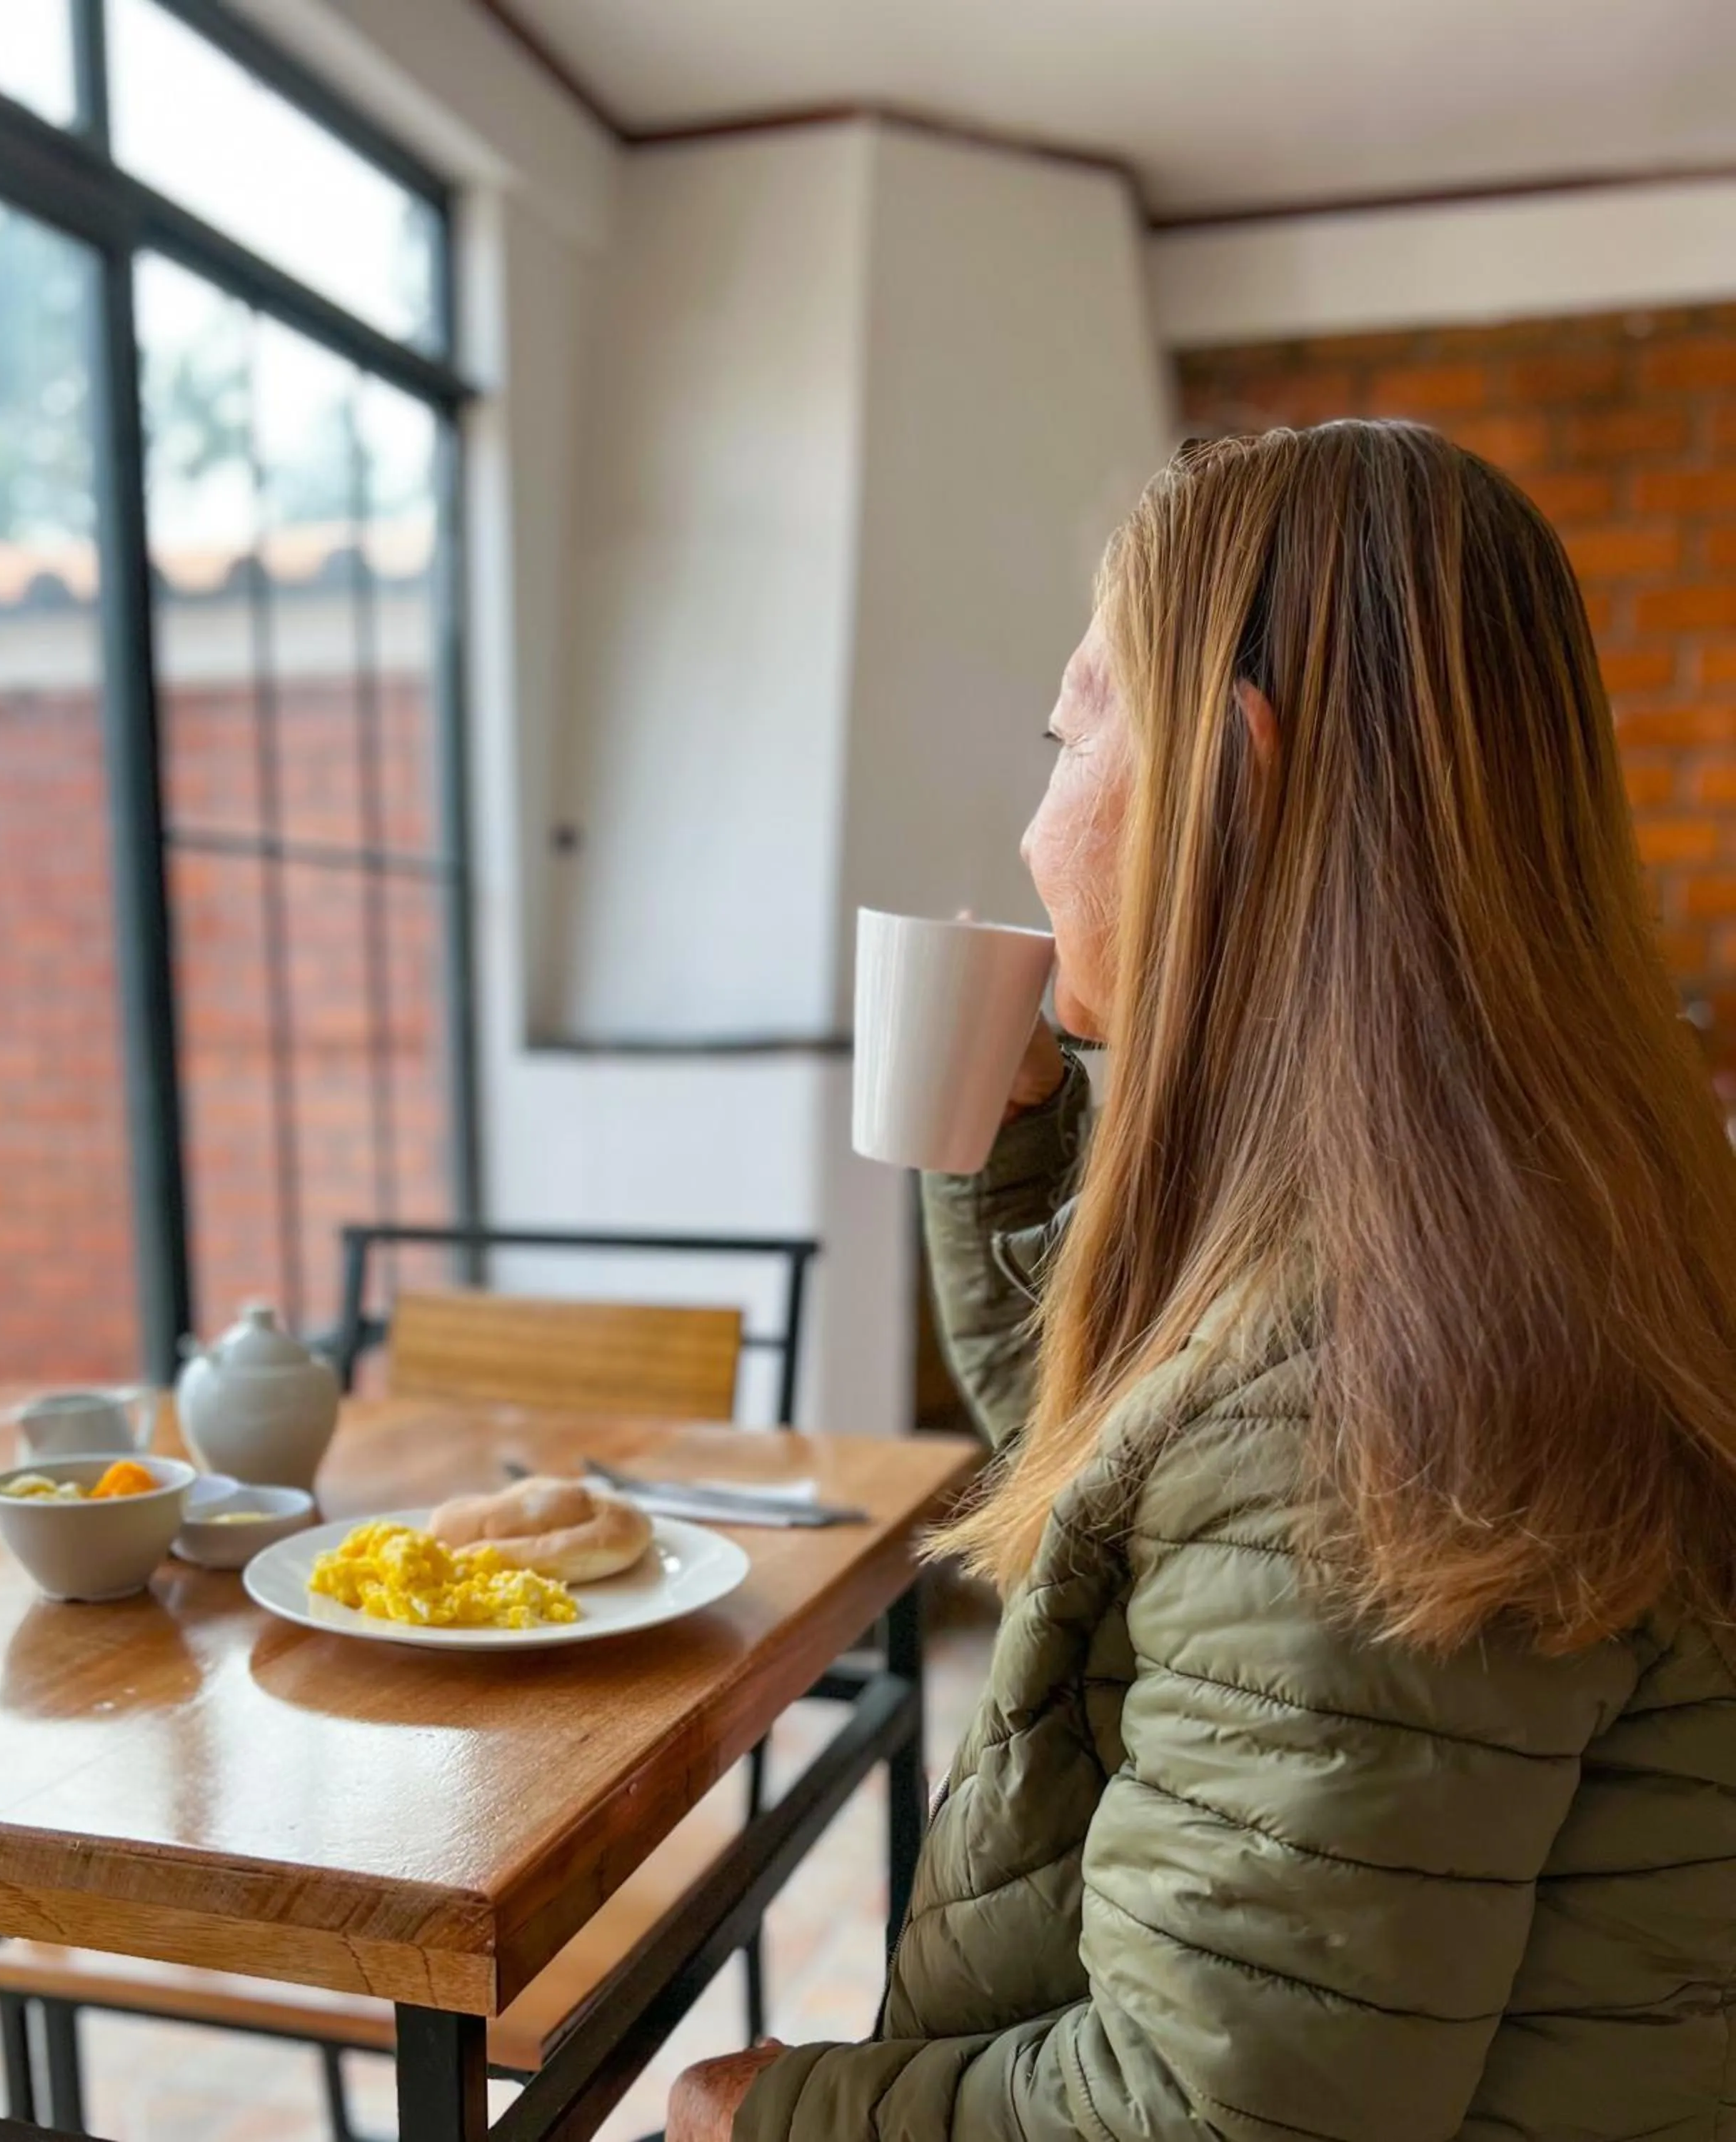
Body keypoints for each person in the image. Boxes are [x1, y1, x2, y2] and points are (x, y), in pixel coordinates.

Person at [667, 421, 1736, 2140]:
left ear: (1234, 781)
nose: (1034, 834)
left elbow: (1210, 2115)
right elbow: (1157, 1511)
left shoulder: (1388, 1381)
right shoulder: (1531, 1200)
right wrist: (1013, 1141)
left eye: (1070, 734)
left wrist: (779, 2115)